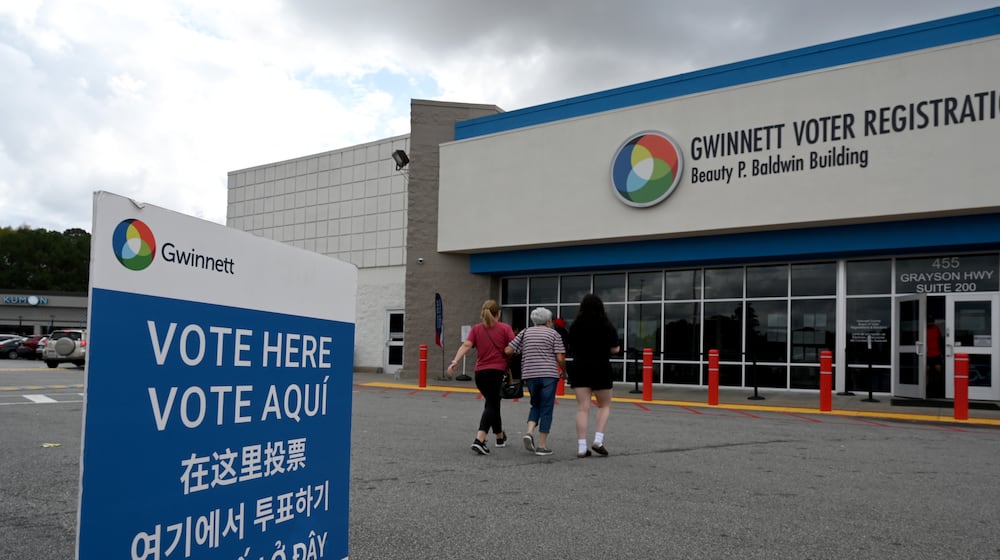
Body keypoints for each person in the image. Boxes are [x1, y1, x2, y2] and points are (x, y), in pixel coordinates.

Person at [447, 299, 514, 455]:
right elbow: (511, 348)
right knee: (492, 404)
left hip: (480, 374)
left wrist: (455, 361)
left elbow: (466, 346)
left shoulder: (476, 329)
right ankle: (479, 439)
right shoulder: (505, 328)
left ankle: (499, 436)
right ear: (499, 314)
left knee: (492, 403)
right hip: (497, 372)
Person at [506, 307, 566, 456]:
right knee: (547, 407)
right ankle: (541, 445)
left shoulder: (525, 332)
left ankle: (529, 431)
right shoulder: (554, 334)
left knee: (535, 404)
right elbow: (559, 357)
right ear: (547, 321)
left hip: (530, 374)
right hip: (549, 375)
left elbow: (509, 350)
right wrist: (564, 371)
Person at [567, 294, 621, 458]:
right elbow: (615, 348)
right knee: (604, 405)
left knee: (583, 408)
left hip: (580, 368)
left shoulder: (575, 325)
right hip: (601, 367)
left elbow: (571, 345)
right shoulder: (606, 324)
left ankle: (581, 447)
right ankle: (598, 440)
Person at [926, 314, 945, 398]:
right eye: (929, 321)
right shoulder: (924, 329)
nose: (930, 323)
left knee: (938, 371)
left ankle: (939, 389)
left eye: (931, 321)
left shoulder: (936, 328)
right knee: (926, 371)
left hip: (936, 353)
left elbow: (940, 340)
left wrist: (942, 352)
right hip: (927, 354)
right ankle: (926, 389)